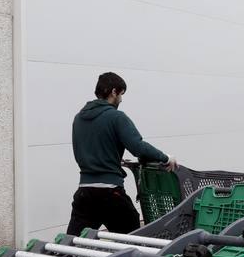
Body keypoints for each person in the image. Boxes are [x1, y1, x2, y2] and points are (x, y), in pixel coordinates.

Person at [66, 71, 176, 236]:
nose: (121, 99)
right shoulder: (116, 117)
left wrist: (113, 158)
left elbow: (88, 148)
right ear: (113, 92)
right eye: (121, 94)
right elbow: (138, 147)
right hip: (110, 193)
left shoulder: (79, 118)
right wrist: (166, 157)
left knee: (71, 245)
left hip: (85, 193)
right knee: (134, 241)